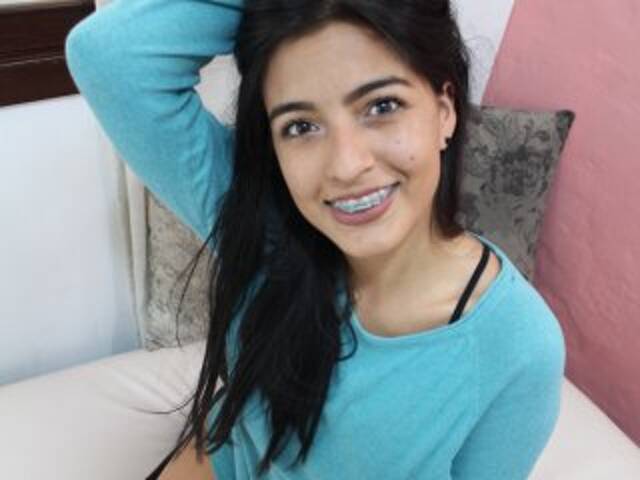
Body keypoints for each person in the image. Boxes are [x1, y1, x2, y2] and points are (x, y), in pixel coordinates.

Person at [65, 0, 566, 478]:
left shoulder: (519, 347)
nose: (346, 165)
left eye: (382, 105)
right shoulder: (264, 229)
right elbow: (109, 56)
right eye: (301, 126)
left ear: (445, 111)